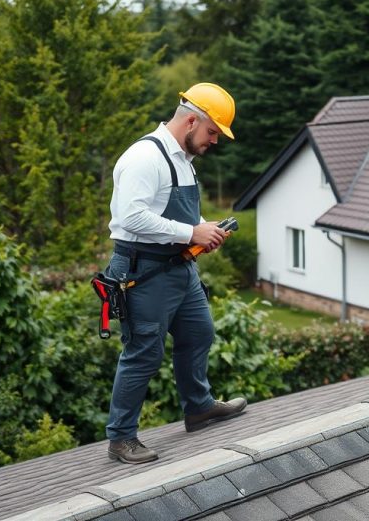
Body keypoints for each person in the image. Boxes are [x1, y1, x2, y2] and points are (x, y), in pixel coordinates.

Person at [105, 83, 247, 464]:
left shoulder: (183, 159)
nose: (214, 141)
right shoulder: (143, 158)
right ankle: (121, 438)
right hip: (143, 271)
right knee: (143, 354)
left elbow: (178, 213)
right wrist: (190, 232)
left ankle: (198, 407)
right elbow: (130, 217)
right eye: (212, 132)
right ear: (190, 120)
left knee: (199, 332)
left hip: (179, 267)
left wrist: (204, 228)